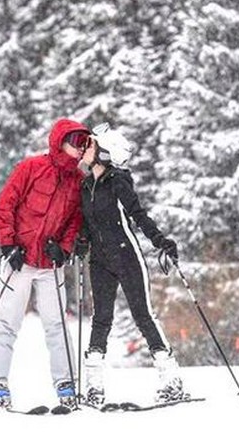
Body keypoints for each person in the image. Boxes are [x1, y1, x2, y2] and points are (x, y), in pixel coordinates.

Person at [0, 118, 91, 409]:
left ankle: (66, 384)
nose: (79, 149)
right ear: (59, 141)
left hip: (49, 265)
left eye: (83, 144)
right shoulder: (31, 168)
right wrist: (8, 244)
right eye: (75, 142)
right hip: (20, 260)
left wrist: (64, 248)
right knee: (7, 323)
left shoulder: (78, 181)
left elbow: (74, 221)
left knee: (57, 324)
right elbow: (5, 206)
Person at [76, 122, 188, 405]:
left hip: (127, 256)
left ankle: (171, 381)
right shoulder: (86, 185)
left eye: (89, 144)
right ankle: (94, 388)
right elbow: (89, 224)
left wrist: (160, 240)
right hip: (100, 260)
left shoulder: (118, 181)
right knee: (101, 320)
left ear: (105, 152)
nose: (84, 148)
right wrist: (81, 240)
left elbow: (137, 214)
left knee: (143, 315)